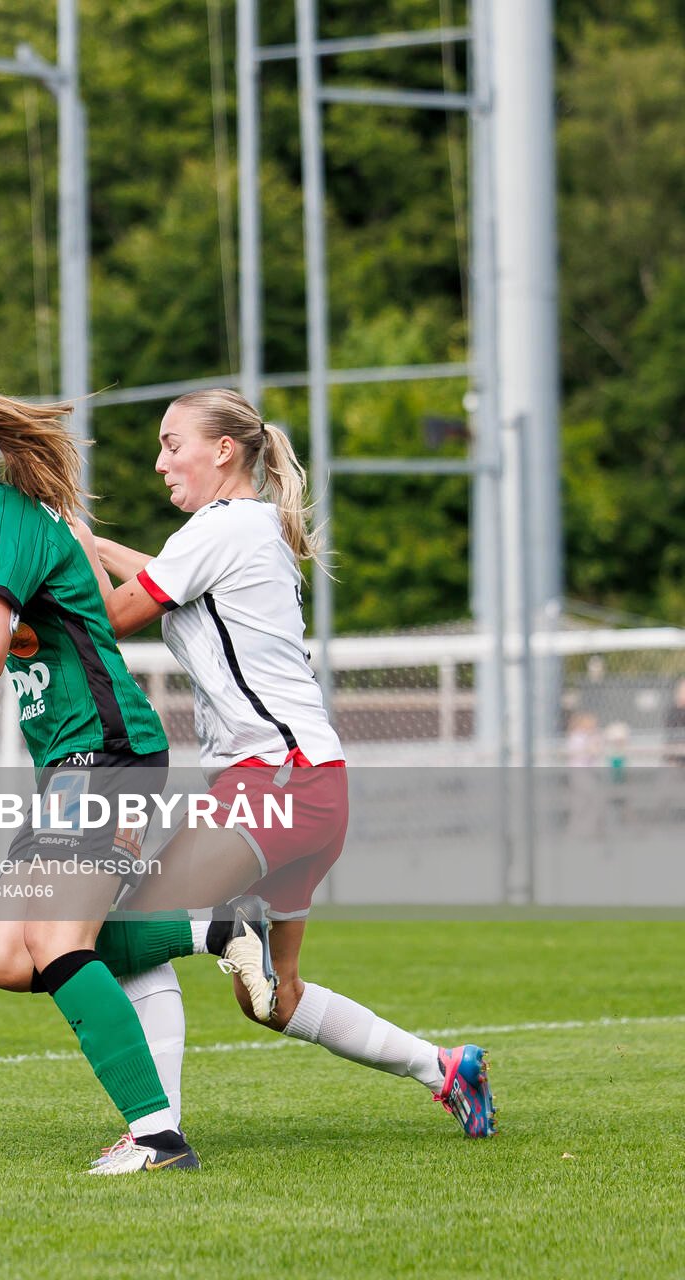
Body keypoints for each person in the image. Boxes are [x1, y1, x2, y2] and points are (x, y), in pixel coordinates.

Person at [0, 390, 260, 1175]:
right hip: (70, 764)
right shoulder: (5, 523)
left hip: (107, 752)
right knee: (7, 956)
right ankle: (216, 929)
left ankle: (157, 1137)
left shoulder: (2, 519)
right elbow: (81, 599)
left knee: (58, 942)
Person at [78, 387, 493, 1142]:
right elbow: (166, 585)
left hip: (271, 782)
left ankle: (154, 1134)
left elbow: (111, 616)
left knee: (131, 929)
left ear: (224, 451)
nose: (160, 460)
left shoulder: (218, 528)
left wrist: (56, 553)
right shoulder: (242, 529)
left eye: (174, 444)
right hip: (314, 787)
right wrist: (92, 545)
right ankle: (445, 1067)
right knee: (273, 999)